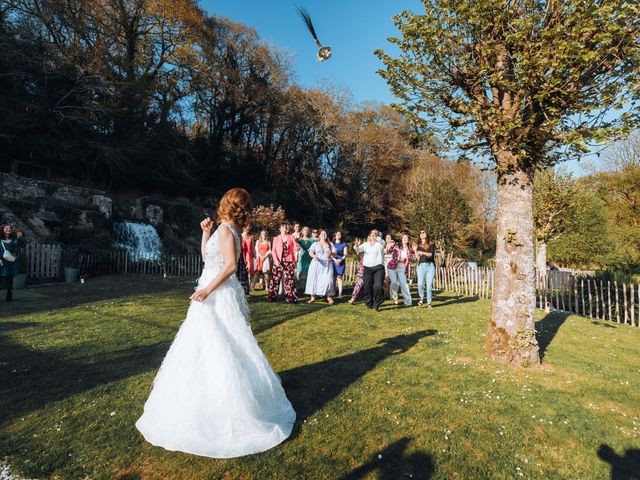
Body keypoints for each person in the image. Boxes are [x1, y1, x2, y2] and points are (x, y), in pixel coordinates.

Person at [136, 188, 296, 458]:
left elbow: (231, 266)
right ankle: (209, 394)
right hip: (214, 290)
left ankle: (225, 403)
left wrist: (207, 290)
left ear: (227, 204)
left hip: (215, 294)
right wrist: (205, 233)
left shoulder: (227, 230)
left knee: (218, 343)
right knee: (211, 344)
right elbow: (207, 258)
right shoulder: (225, 229)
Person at [354, 229, 386, 311]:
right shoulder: (365, 244)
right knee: (367, 287)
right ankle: (369, 303)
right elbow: (358, 250)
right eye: (372, 233)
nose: (374, 234)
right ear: (369, 235)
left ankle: (377, 302)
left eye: (376, 233)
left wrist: (377, 238)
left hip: (378, 268)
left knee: (378, 286)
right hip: (367, 269)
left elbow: (383, 243)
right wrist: (357, 246)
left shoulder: (380, 244)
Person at [269, 223, 299, 303]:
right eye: (283, 227)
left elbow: (296, 247)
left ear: (288, 229)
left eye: (286, 227)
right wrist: (276, 260)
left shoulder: (291, 237)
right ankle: (272, 296)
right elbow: (273, 250)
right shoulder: (276, 238)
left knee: (290, 279)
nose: (285, 228)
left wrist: (297, 243)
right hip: (278, 260)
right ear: (280, 229)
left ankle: (291, 297)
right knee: (275, 278)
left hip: (288, 261)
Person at [305, 229, 335, 304]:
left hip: (327, 264)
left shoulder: (330, 244)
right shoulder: (315, 244)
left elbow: (334, 252)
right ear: (319, 235)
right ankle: (313, 297)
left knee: (328, 280)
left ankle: (329, 296)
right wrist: (313, 256)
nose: (323, 235)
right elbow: (310, 251)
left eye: (325, 234)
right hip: (316, 263)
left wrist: (331, 256)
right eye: (322, 233)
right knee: (314, 280)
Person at [386, 234, 413, 306]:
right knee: (394, 282)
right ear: (401, 239)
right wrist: (390, 244)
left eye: (406, 237)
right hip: (392, 266)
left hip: (402, 267)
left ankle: (408, 302)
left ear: (408, 240)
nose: (404, 238)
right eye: (403, 237)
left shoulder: (409, 249)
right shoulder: (397, 246)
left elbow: (413, 258)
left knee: (404, 284)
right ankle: (395, 297)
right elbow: (389, 250)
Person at [0, 224, 24, 302]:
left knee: (9, 280)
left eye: (9, 228)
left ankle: (9, 297)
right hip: (1, 263)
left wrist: (19, 238)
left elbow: (20, 245)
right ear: (3, 230)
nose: (8, 229)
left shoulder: (13, 240)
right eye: (6, 228)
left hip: (10, 262)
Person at [415, 229, 436, 308]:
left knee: (429, 286)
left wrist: (423, 253)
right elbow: (418, 258)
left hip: (430, 266)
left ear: (426, 234)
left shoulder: (431, 244)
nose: (421, 233)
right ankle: (421, 298)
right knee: (420, 284)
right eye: (420, 232)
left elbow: (431, 254)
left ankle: (429, 303)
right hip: (421, 266)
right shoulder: (418, 245)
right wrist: (415, 251)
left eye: (423, 232)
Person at [295, 226, 314, 291]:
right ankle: (298, 288)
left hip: (309, 257)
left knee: (308, 272)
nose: (306, 231)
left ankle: (307, 288)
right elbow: (295, 247)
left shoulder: (311, 240)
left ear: (308, 231)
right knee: (300, 270)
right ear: (302, 231)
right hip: (302, 256)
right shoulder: (299, 239)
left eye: (307, 230)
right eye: (304, 230)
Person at [238, 225, 254, 295]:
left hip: (249, 256)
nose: (248, 228)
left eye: (249, 226)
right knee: (243, 273)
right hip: (242, 256)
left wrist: (255, 256)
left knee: (250, 274)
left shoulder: (251, 237)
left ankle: (248, 291)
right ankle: (242, 291)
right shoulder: (240, 235)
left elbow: (252, 248)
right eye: (246, 226)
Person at [331, 231, 348, 298]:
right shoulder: (332, 244)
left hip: (341, 262)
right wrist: (335, 260)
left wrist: (340, 260)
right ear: (335, 236)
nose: (338, 235)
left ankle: (340, 294)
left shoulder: (344, 244)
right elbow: (330, 253)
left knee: (339, 277)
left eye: (340, 234)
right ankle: (333, 292)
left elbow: (345, 254)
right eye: (337, 234)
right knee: (333, 278)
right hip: (333, 261)